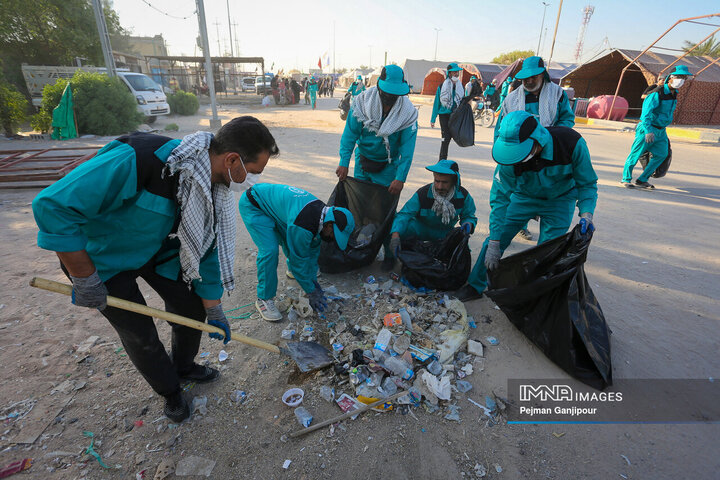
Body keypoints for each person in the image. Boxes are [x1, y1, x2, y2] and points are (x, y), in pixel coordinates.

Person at [32, 117, 280, 422]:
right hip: (101, 260)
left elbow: (208, 250)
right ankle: (170, 391)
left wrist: (214, 309)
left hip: (156, 249)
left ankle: (184, 367)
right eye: (252, 173)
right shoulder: (141, 159)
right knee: (140, 334)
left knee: (191, 310)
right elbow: (52, 206)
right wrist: (84, 277)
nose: (250, 181)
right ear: (231, 159)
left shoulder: (214, 190)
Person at [454, 111, 597, 301]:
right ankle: (475, 285)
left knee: (549, 250)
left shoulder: (571, 143)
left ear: (537, 140)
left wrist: (586, 214)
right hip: (523, 197)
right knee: (495, 240)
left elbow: (587, 183)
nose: (516, 158)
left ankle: (536, 293)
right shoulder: (508, 160)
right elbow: (500, 199)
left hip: (560, 199)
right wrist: (496, 241)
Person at [336, 64, 418, 270]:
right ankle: (362, 248)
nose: (390, 100)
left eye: (395, 95)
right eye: (387, 94)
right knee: (360, 209)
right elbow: (349, 136)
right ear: (379, 88)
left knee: (384, 211)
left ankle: (389, 254)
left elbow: (407, 150)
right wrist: (344, 162)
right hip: (363, 162)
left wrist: (400, 177)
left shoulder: (407, 114)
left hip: (389, 167)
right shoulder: (362, 104)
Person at [239, 184, 354, 321]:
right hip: (255, 205)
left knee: (293, 243)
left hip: (275, 208)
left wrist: (312, 281)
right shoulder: (304, 223)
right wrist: (311, 290)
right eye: (334, 234)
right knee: (270, 250)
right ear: (329, 225)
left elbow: (312, 252)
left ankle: (296, 274)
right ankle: (264, 298)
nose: (332, 238)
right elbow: (298, 260)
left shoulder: (322, 216)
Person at [496, 55, 576, 241]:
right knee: (518, 190)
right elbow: (503, 127)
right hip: (519, 150)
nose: (529, 81)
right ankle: (520, 223)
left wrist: (550, 137)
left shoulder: (557, 94)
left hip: (548, 150)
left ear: (543, 75)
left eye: (534, 77)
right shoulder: (512, 99)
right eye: (525, 78)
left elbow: (567, 119)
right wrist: (502, 152)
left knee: (546, 186)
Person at [621, 65, 692, 189]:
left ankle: (642, 179)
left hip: (661, 130)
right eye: (679, 77)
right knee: (635, 154)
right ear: (670, 78)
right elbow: (645, 114)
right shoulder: (656, 93)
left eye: (684, 77)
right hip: (647, 128)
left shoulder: (674, 94)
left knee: (662, 154)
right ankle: (626, 179)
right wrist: (648, 131)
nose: (681, 80)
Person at [389, 159, 477, 257]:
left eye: (445, 182)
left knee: (462, 248)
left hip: (445, 232)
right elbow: (405, 214)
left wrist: (468, 223)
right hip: (421, 229)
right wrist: (395, 235)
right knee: (398, 229)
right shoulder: (423, 193)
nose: (439, 186)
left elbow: (469, 216)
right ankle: (392, 258)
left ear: (454, 181)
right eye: (437, 181)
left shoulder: (463, 195)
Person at [431, 63, 464, 160]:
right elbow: (437, 102)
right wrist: (433, 118)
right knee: (445, 138)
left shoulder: (460, 86)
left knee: (450, 137)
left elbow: (462, 100)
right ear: (449, 73)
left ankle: (443, 158)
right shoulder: (442, 86)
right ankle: (442, 159)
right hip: (444, 115)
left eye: (457, 72)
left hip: (455, 115)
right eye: (454, 72)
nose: (456, 74)